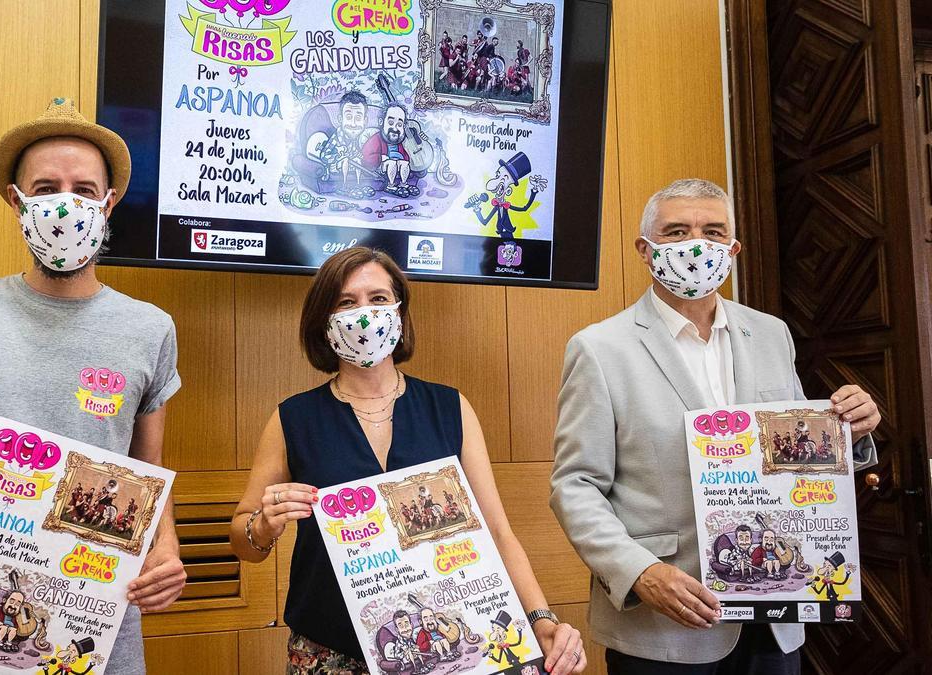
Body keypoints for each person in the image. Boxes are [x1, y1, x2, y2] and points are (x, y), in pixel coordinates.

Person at [0, 98, 187, 674]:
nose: (64, 204)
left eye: (82, 188)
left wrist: (164, 548)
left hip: (94, 634)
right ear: (16, 201)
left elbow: (149, 471)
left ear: (108, 201)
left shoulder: (151, 328)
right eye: (46, 188)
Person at [550, 178, 880, 674]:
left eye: (712, 232)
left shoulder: (771, 334)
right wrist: (639, 572)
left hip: (777, 610)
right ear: (646, 249)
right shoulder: (600, 349)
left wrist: (847, 432)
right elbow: (575, 486)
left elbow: (790, 452)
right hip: (667, 619)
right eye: (676, 232)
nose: (695, 246)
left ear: (732, 249)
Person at [229, 247, 586, 674]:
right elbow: (243, 538)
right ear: (324, 321)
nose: (364, 314)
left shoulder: (450, 407)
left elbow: (496, 531)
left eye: (378, 299)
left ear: (399, 313)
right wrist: (264, 526)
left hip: (442, 648)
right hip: (329, 652)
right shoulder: (293, 418)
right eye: (347, 302)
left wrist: (540, 617)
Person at [315, 90, 369, 185]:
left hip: (352, 166)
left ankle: (358, 184)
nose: (353, 124)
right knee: (345, 160)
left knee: (357, 160)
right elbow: (324, 157)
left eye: (358, 118)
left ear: (365, 121)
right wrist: (338, 156)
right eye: (348, 117)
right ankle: (344, 185)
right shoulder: (336, 139)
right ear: (340, 119)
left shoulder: (363, 139)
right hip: (336, 167)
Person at [362, 104, 413, 194]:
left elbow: (405, 156)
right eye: (390, 123)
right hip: (380, 167)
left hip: (396, 166)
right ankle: (391, 185)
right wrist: (380, 158)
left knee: (405, 163)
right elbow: (366, 156)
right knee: (392, 163)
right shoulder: (376, 139)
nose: (395, 128)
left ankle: (403, 184)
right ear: (381, 122)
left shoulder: (400, 143)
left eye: (399, 124)